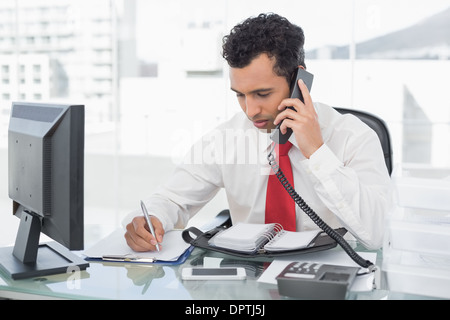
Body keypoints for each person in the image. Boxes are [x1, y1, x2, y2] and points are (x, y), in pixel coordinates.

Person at [124, 13, 393, 252]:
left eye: (262, 94)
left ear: (299, 82)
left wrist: (317, 153)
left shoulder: (353, 136)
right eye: (240, 95)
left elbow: (377, 234)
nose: (250, 111)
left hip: (324, 281)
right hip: (249, 281)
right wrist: (152, 220)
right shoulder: (227, 138)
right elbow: (172, 199)